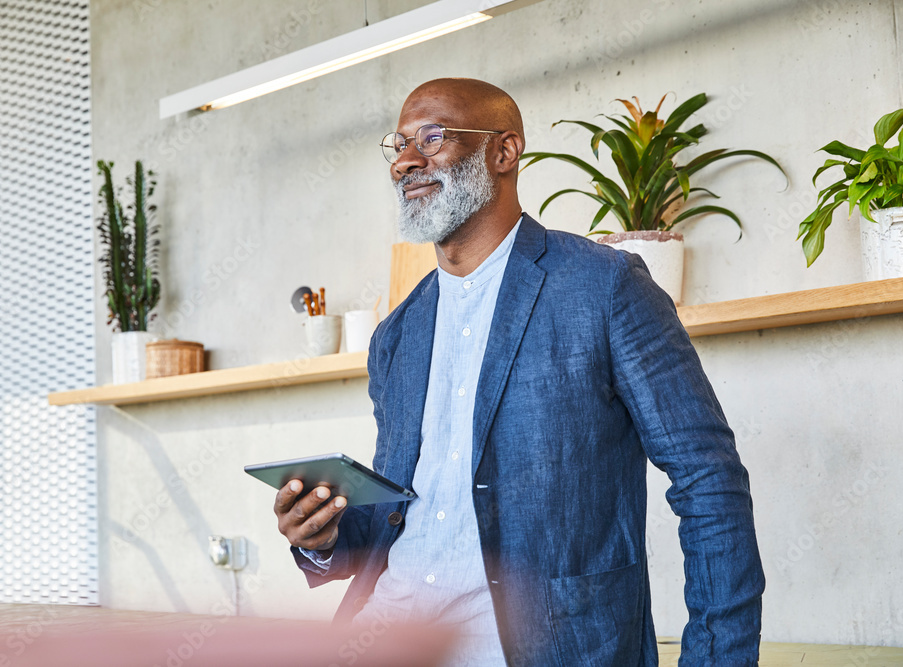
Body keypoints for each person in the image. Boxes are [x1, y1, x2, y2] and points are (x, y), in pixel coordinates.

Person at [274, 78, 764, 666]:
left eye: (432, 139)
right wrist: (324, 538)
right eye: (398, 145)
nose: (405, 161)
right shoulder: (396, 335)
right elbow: (405, 513)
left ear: (504, 151)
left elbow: (709, 482)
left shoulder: (606, 288)